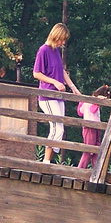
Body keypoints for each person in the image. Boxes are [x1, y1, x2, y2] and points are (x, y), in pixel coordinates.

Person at [32, 23, 80, 163]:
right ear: (56, 36)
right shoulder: (43, 50)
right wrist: (54, 82)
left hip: (58, 96)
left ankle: (49, 161)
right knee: (56, 128)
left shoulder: (56, 51)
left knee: (61, 129)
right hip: (47, 95)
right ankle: (46, 162)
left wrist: (73, 87)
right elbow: (36, 73)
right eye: (62, 39)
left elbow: (62, 71)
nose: (63, 42)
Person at [76, 84, 111, 170]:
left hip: (96, 126)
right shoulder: (92, 101)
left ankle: (97, 170)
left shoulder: (87, 100)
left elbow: (80, 112)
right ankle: (80, 170)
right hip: (90, 126)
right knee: (89, 149)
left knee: (97, 149)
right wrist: (98, 102)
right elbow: (92, 110)